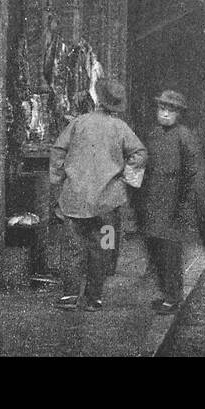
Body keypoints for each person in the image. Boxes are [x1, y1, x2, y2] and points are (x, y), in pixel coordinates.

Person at [49, 78, 147, 311]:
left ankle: (69, 296)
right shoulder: (121, 128)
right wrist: (126, 177)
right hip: (108, 206)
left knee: (72, 249)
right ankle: (94, 298)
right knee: (105, 248)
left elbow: (58, 151)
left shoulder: (78, 123)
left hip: (75, 202)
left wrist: (58, 180)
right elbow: (140, 154)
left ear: (98, 100)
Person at [136, 89, 201, 315]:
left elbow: (192, 173)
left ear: (178, 114)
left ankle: (173, 297)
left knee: (170, 253)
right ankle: (165, 293)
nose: (164, 114)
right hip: (152, 200)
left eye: (170, 110)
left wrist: (185, 204)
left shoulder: (184, 136)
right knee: (155, 250)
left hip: (173, 203)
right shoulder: (153, 134)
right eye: (162, 108)